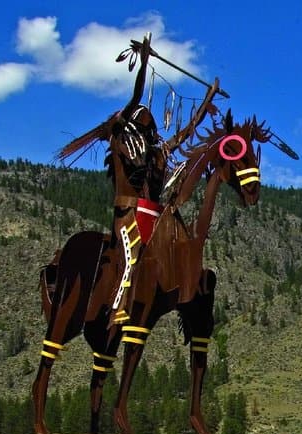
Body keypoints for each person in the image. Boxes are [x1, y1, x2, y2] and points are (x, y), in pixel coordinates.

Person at [57, 35, 220, 325]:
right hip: (129, 213)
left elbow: (187, 131)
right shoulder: (125, 145)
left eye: (150, 126)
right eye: (144, 124)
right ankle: (118, 305)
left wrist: (207, 100)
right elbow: (136, 98)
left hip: (152, 216)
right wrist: (144, 64)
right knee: (131, 247)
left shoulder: (157, 154)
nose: (149, 127)